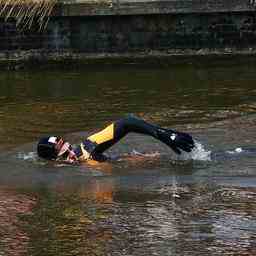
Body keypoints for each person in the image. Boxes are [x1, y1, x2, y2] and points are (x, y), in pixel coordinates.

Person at [37, 115, 195, 164]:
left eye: (69, 148)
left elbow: (126, 123)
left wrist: (162, 134)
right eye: (65, 156)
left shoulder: (88, 148)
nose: (72, 155)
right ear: (53, 162)